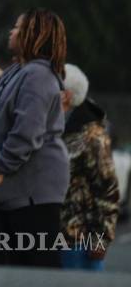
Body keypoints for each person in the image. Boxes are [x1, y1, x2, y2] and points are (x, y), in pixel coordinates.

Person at [0, 9, 69, 268]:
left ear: (33, 35)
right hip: (14, 194)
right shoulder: (18, 71)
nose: (11, 32)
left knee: (39, 269)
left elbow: (26, 132)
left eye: (17, 28)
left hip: (33, 194)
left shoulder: (38, 76)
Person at [60, 63, 119, 270]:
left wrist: (101, 238)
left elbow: (107, 188)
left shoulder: (92, 135)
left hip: (79, 239)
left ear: (65, 95)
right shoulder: (55, 125)